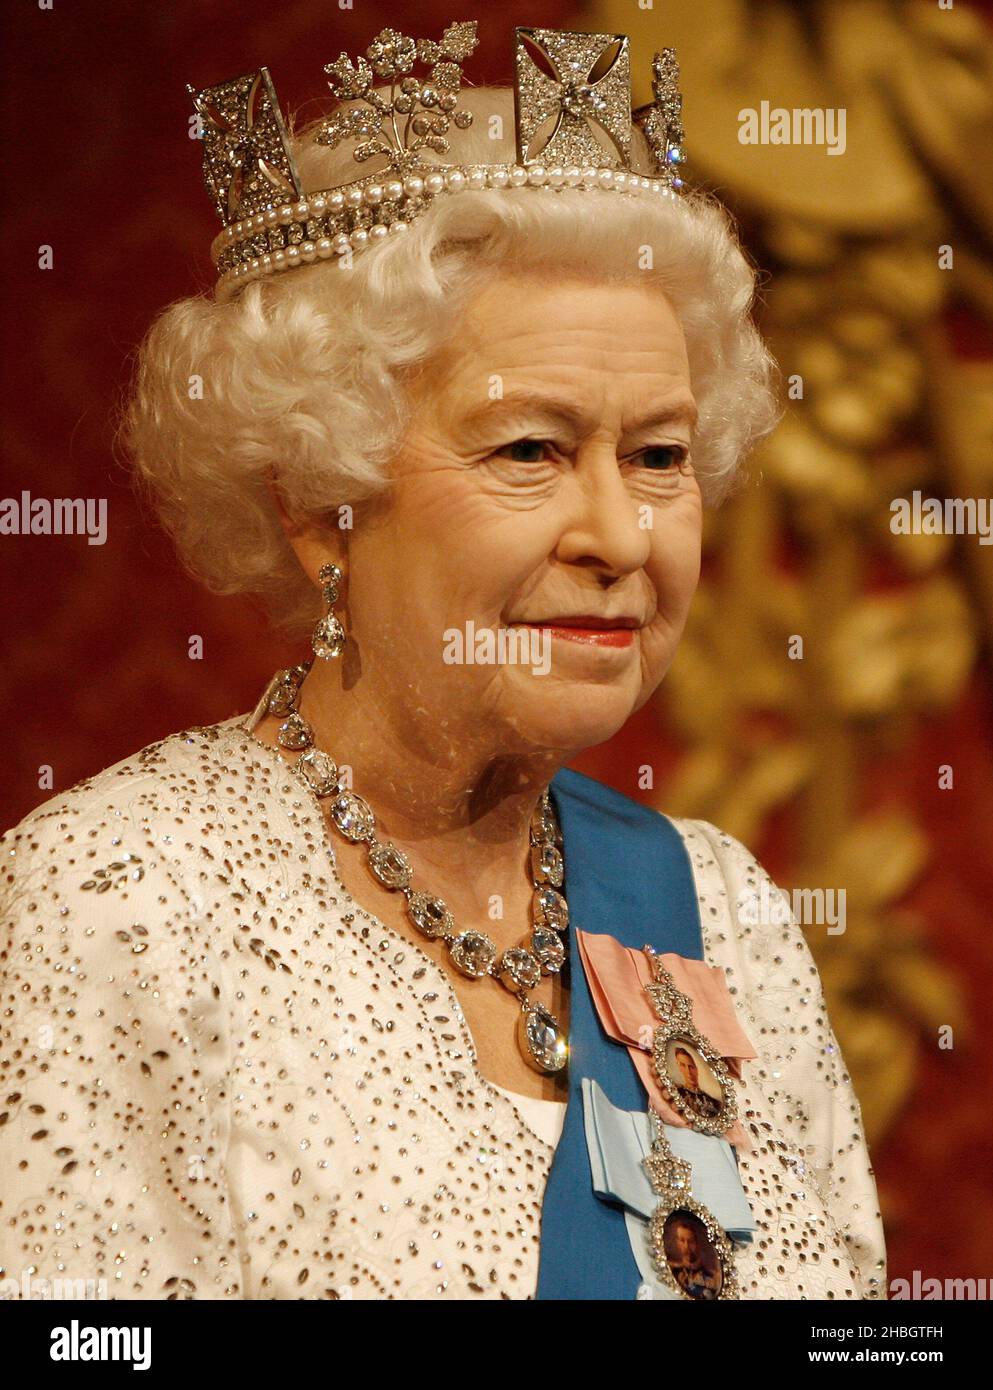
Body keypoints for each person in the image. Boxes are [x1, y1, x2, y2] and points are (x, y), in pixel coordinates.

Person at [0, 20, 887, 1300]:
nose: (619, 535)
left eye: (658, 455)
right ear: (318, 499)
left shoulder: (723, 904)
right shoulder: (120, 899)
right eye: (528, 449)